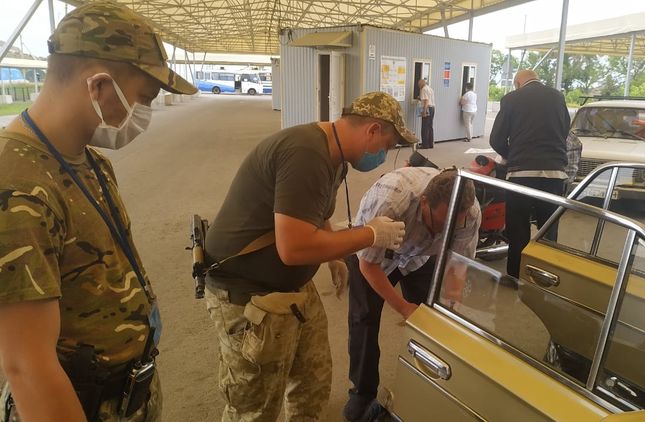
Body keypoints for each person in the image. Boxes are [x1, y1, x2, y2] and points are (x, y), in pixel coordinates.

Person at [0, 3, 197, 421]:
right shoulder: (15, 186)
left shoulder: (90, 160)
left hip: (124, 391)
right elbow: (27, 365)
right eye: (144, 97)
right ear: (100, 85)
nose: (144, 112)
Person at [203, 91, 416, 421]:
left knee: (312, 383)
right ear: (372, 130)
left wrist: (332, 255)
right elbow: (294, 249)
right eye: (386, 146)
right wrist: (371, 234)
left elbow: (315, 214)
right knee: (255, 406)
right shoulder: (306, 154)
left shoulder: (335, 157)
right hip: (249, 292)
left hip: (292, 286)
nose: (383, 156)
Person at [343, 167, 480, 421]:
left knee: (430, 320)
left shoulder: (469, 213)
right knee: (364, 319)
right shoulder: (391, 202)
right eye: (440, 224)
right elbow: (368, 266)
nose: (443, 232)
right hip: (375, 252)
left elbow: (457, 266)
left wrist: (450, 307)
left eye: (452, 226)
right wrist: (403, 307)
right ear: (424, 202)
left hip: (420, 256)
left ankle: (427, 382)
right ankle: (361, 393)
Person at [489, 69, 570, 279]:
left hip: (521, 174)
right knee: (548, 228)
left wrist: (513, 156)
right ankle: (545, 275)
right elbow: (565, 130)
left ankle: (516, 276)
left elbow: (496, 139)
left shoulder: (511, 99)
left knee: (518, 226)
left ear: (517, 83)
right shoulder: (557, 97)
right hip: (554, 173)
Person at [417, 79, 436, 149]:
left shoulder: (423, 89)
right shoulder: (430, 89)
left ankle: (425, 145)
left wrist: (424, 111)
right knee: (430, 126)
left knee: (425, 127)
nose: (418, 86)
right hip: (432, 108)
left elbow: (426, 101)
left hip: (427, 108)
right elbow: (429, 99)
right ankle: (431, 144)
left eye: (419, 85)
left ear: (421, 84)